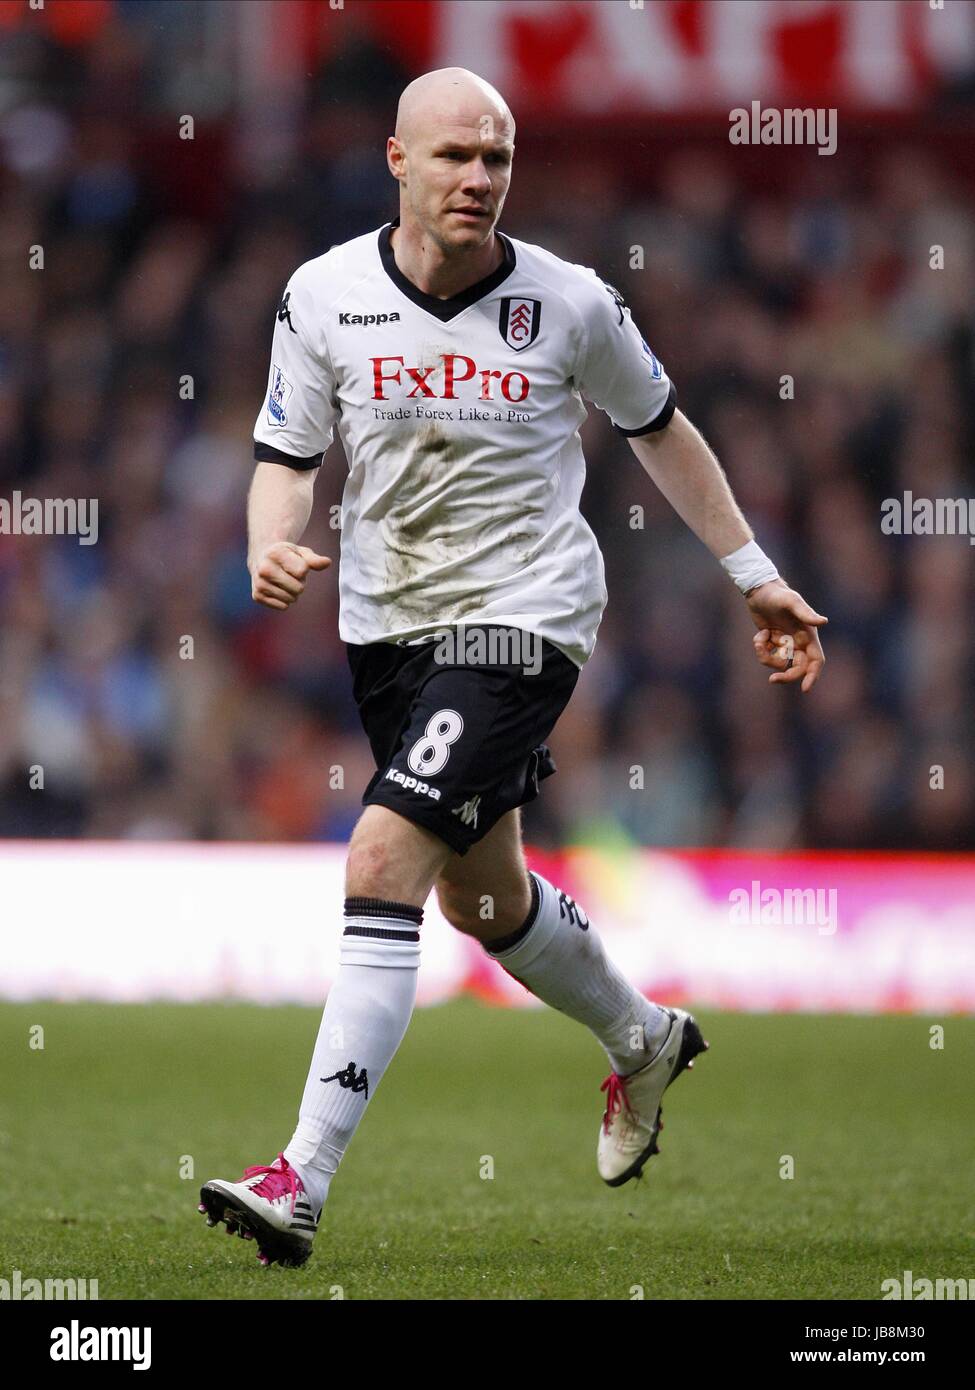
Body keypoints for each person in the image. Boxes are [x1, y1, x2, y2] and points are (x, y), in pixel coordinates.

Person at [198, 68, 826, 1268]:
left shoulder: (573, 304)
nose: (479, 178)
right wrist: (266, 540)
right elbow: (285, 447)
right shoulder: (321, 294)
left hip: (523, 620)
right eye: (453, 158)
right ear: (397, 162)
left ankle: (301, 1173)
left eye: (497, 158)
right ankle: (644, 1040)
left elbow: (664, 432)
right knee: (480, 899)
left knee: (382, 860)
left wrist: (753, 573)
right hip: (387, 629)